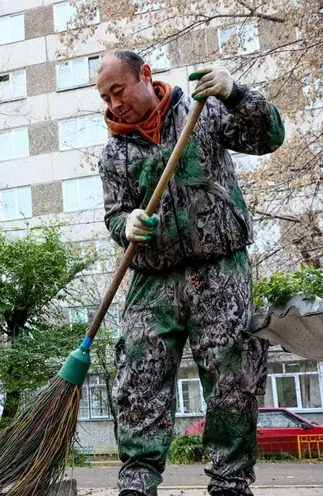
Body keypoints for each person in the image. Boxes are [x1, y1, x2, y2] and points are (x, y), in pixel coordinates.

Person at [96, 49, 285, 496]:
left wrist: (236, 93)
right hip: (152, 278)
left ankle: (230, 482)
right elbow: (113, 215)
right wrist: (126, 225)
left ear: (144, 74)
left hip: (219, 266)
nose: (113, 104)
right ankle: (137, 483)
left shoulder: (201, 111)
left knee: (231, 374)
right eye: (104, 97)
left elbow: (269, 137)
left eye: (118, 90)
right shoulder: (113, 154)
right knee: (138, 376)